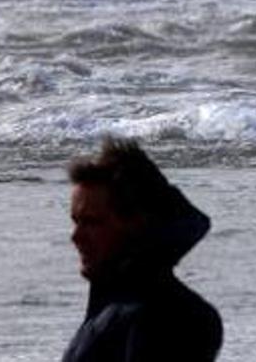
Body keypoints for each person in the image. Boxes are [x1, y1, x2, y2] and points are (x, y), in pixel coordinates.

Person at [62, 137, 222, 362]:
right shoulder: (114, 309)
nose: (76, 237)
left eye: (92, 222)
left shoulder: (165, 319)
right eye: (76, 221)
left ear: (136, 224)